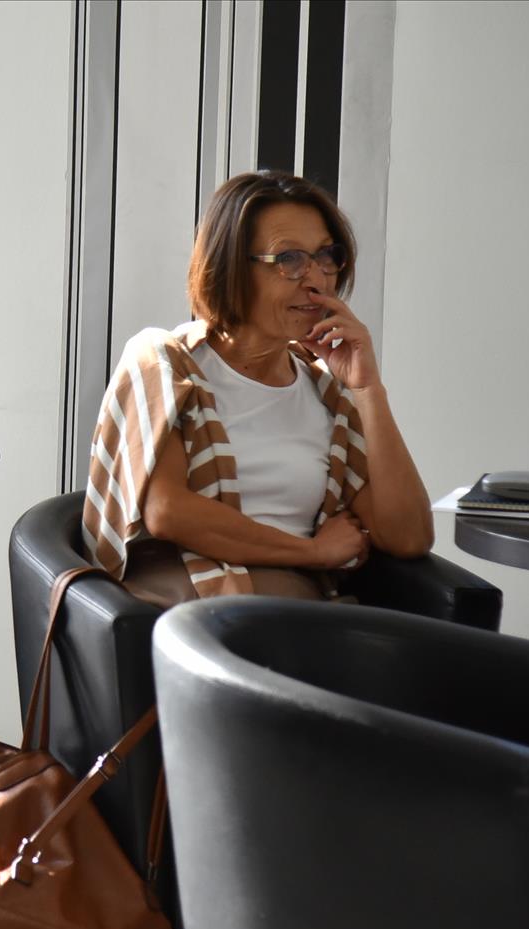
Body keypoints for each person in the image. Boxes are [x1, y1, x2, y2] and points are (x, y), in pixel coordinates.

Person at [83, 171, 433, 605]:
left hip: (288, 612)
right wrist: (312, 552)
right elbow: (167, 512)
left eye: (326, 256)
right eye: (289, 259)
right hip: (194, 614)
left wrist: (368, 388)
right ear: (231, 267)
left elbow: (409, 536)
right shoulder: (165, 363)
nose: (317, 280)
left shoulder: (328, 396)